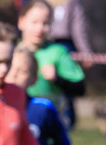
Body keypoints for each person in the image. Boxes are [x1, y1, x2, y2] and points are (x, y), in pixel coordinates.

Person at [17, 0, 85, 128]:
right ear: (21, 22)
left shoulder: (58, 52)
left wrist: (57, 79)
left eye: (45, 23)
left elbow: (80, 89)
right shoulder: (12, 52)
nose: (39, 28)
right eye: (34, 22)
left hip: (49, 124)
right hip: (17, 119)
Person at [46, 0, 93, 127]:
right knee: (65, 87)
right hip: (61, 47)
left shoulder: (69, 4)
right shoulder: (72, 4)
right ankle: (66, 119)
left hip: (52, 46)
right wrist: (85, 51)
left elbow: (78, 29)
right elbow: (78, 29)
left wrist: (85, 51)